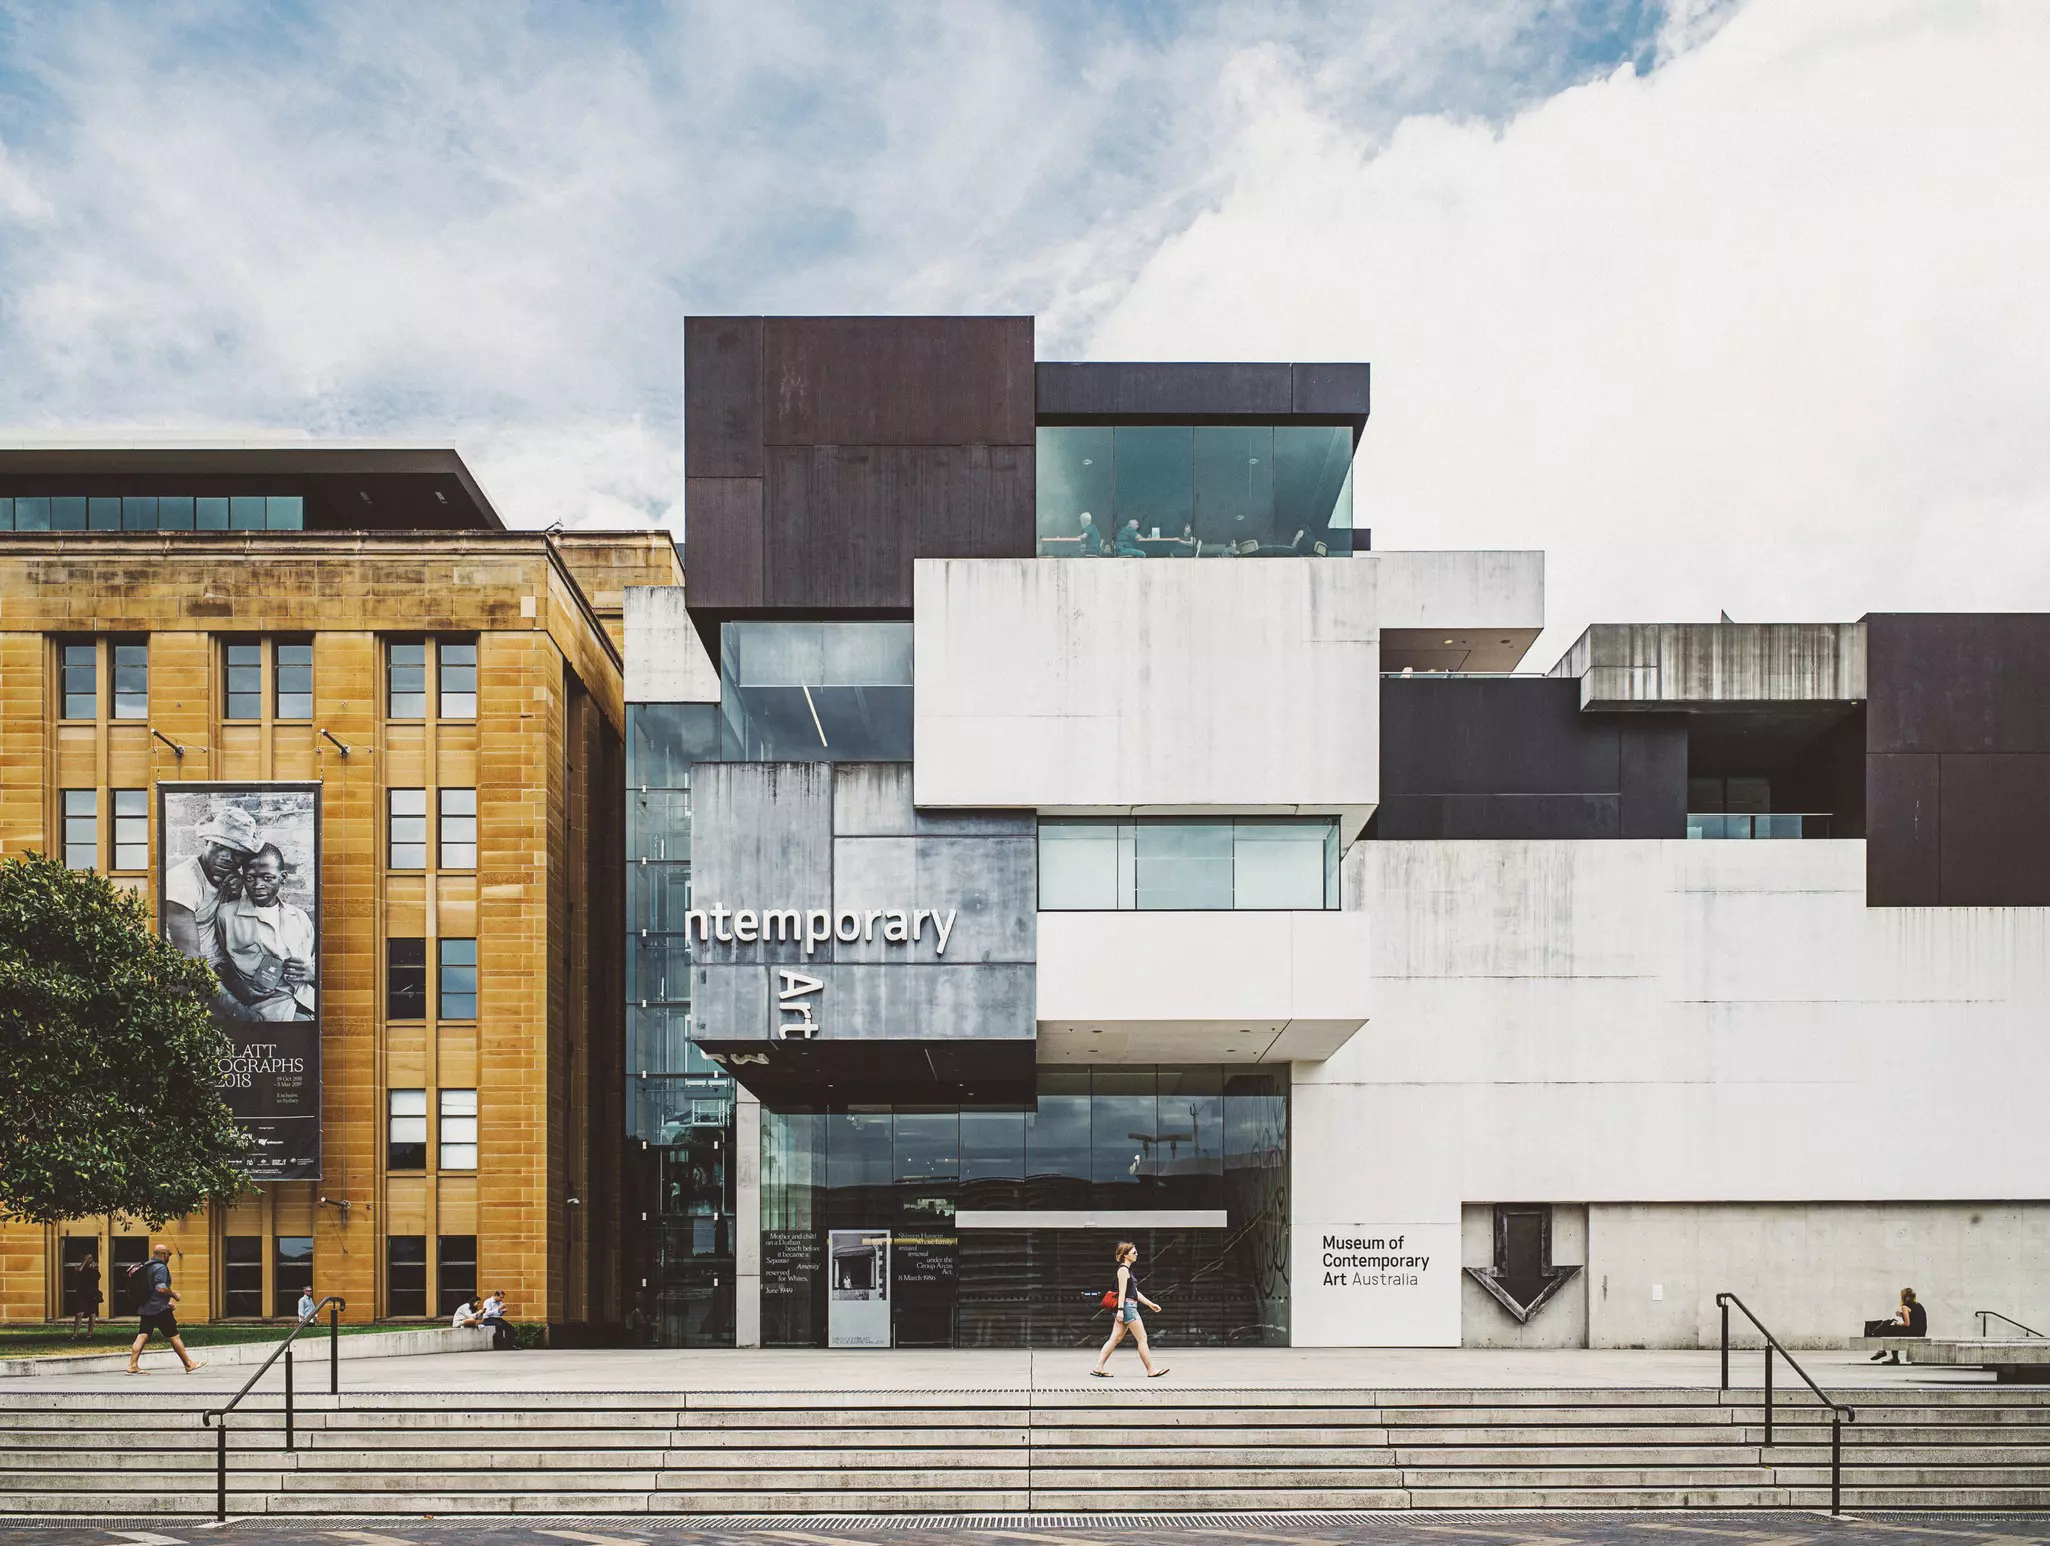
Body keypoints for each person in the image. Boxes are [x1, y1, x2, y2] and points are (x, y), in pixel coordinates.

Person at [213, 844, 316, 1022]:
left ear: (283, 878)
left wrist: (312, 973)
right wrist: (238, 986)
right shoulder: (227, 915)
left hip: (308, 1001)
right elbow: (219, 962)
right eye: (250, 878)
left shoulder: (299, 917)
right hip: (266, 1009)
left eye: (267, 878)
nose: (258, 885)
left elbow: (314, 963)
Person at [162, 805, 259, 966]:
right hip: (194, 975)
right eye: (220, 846)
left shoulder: (229, 879)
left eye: (238, 852)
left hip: (221, 965)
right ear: (207, 841)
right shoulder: (182, 881)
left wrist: (236, 893)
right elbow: (189, 956)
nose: (227, 857)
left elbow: (234, 937)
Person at [1089, 1240, 1168, 1379]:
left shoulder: (1127, 1271)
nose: (1137, 1254)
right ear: (1126, 1255)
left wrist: (1150, 1304)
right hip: (1127, 1307)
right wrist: (1120, 1310)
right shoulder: (1123, 1270)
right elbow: (1123, 1292)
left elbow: (1135, 1292)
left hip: (1127, 1306)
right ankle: (1151, 1370)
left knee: (1115, 1338)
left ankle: (1098, 1367)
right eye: (1134, 1252)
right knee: (1142, 1338)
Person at [125, 1244, 204, 1374]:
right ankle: (188, 1364)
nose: (169, 1257)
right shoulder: (161, 1268)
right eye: (169, 1254)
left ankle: (132, 1365)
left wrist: (167, 1302)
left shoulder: (146, 1266)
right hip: (159, 1309)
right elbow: (160, 1288)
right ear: (162, 1254)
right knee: (174, 1336)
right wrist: (174, 1295)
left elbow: (150, 1289)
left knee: (142, 1335)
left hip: (146, 1307)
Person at [1869, 1286, 1928, 1363]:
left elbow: (1907, 1324)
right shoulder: (1919, 1305)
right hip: (1921, 1332)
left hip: (1913, 1332)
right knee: (1893, 1331)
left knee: (1889, 1330)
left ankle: (1887, 1354)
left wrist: (1897, 1324)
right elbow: (1915, 1319)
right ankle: (1885, 1353)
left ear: (1905, 1297)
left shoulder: (1905, 1307)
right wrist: (1902, 1315)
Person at [68, 1250, 101, 1337]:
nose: (90, 1260)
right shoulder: (80, 1269)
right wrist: (85, 1261)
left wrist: (93, 1268)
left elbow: (97, 1277)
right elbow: (79, 1271)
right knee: (79, 1313)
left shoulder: (94, 1271)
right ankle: (75, 1334)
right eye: (88, 1258)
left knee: (92, 1314)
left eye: (91, 1258)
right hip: (82, 1294)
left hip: (92, 1294)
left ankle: (89, 1334)